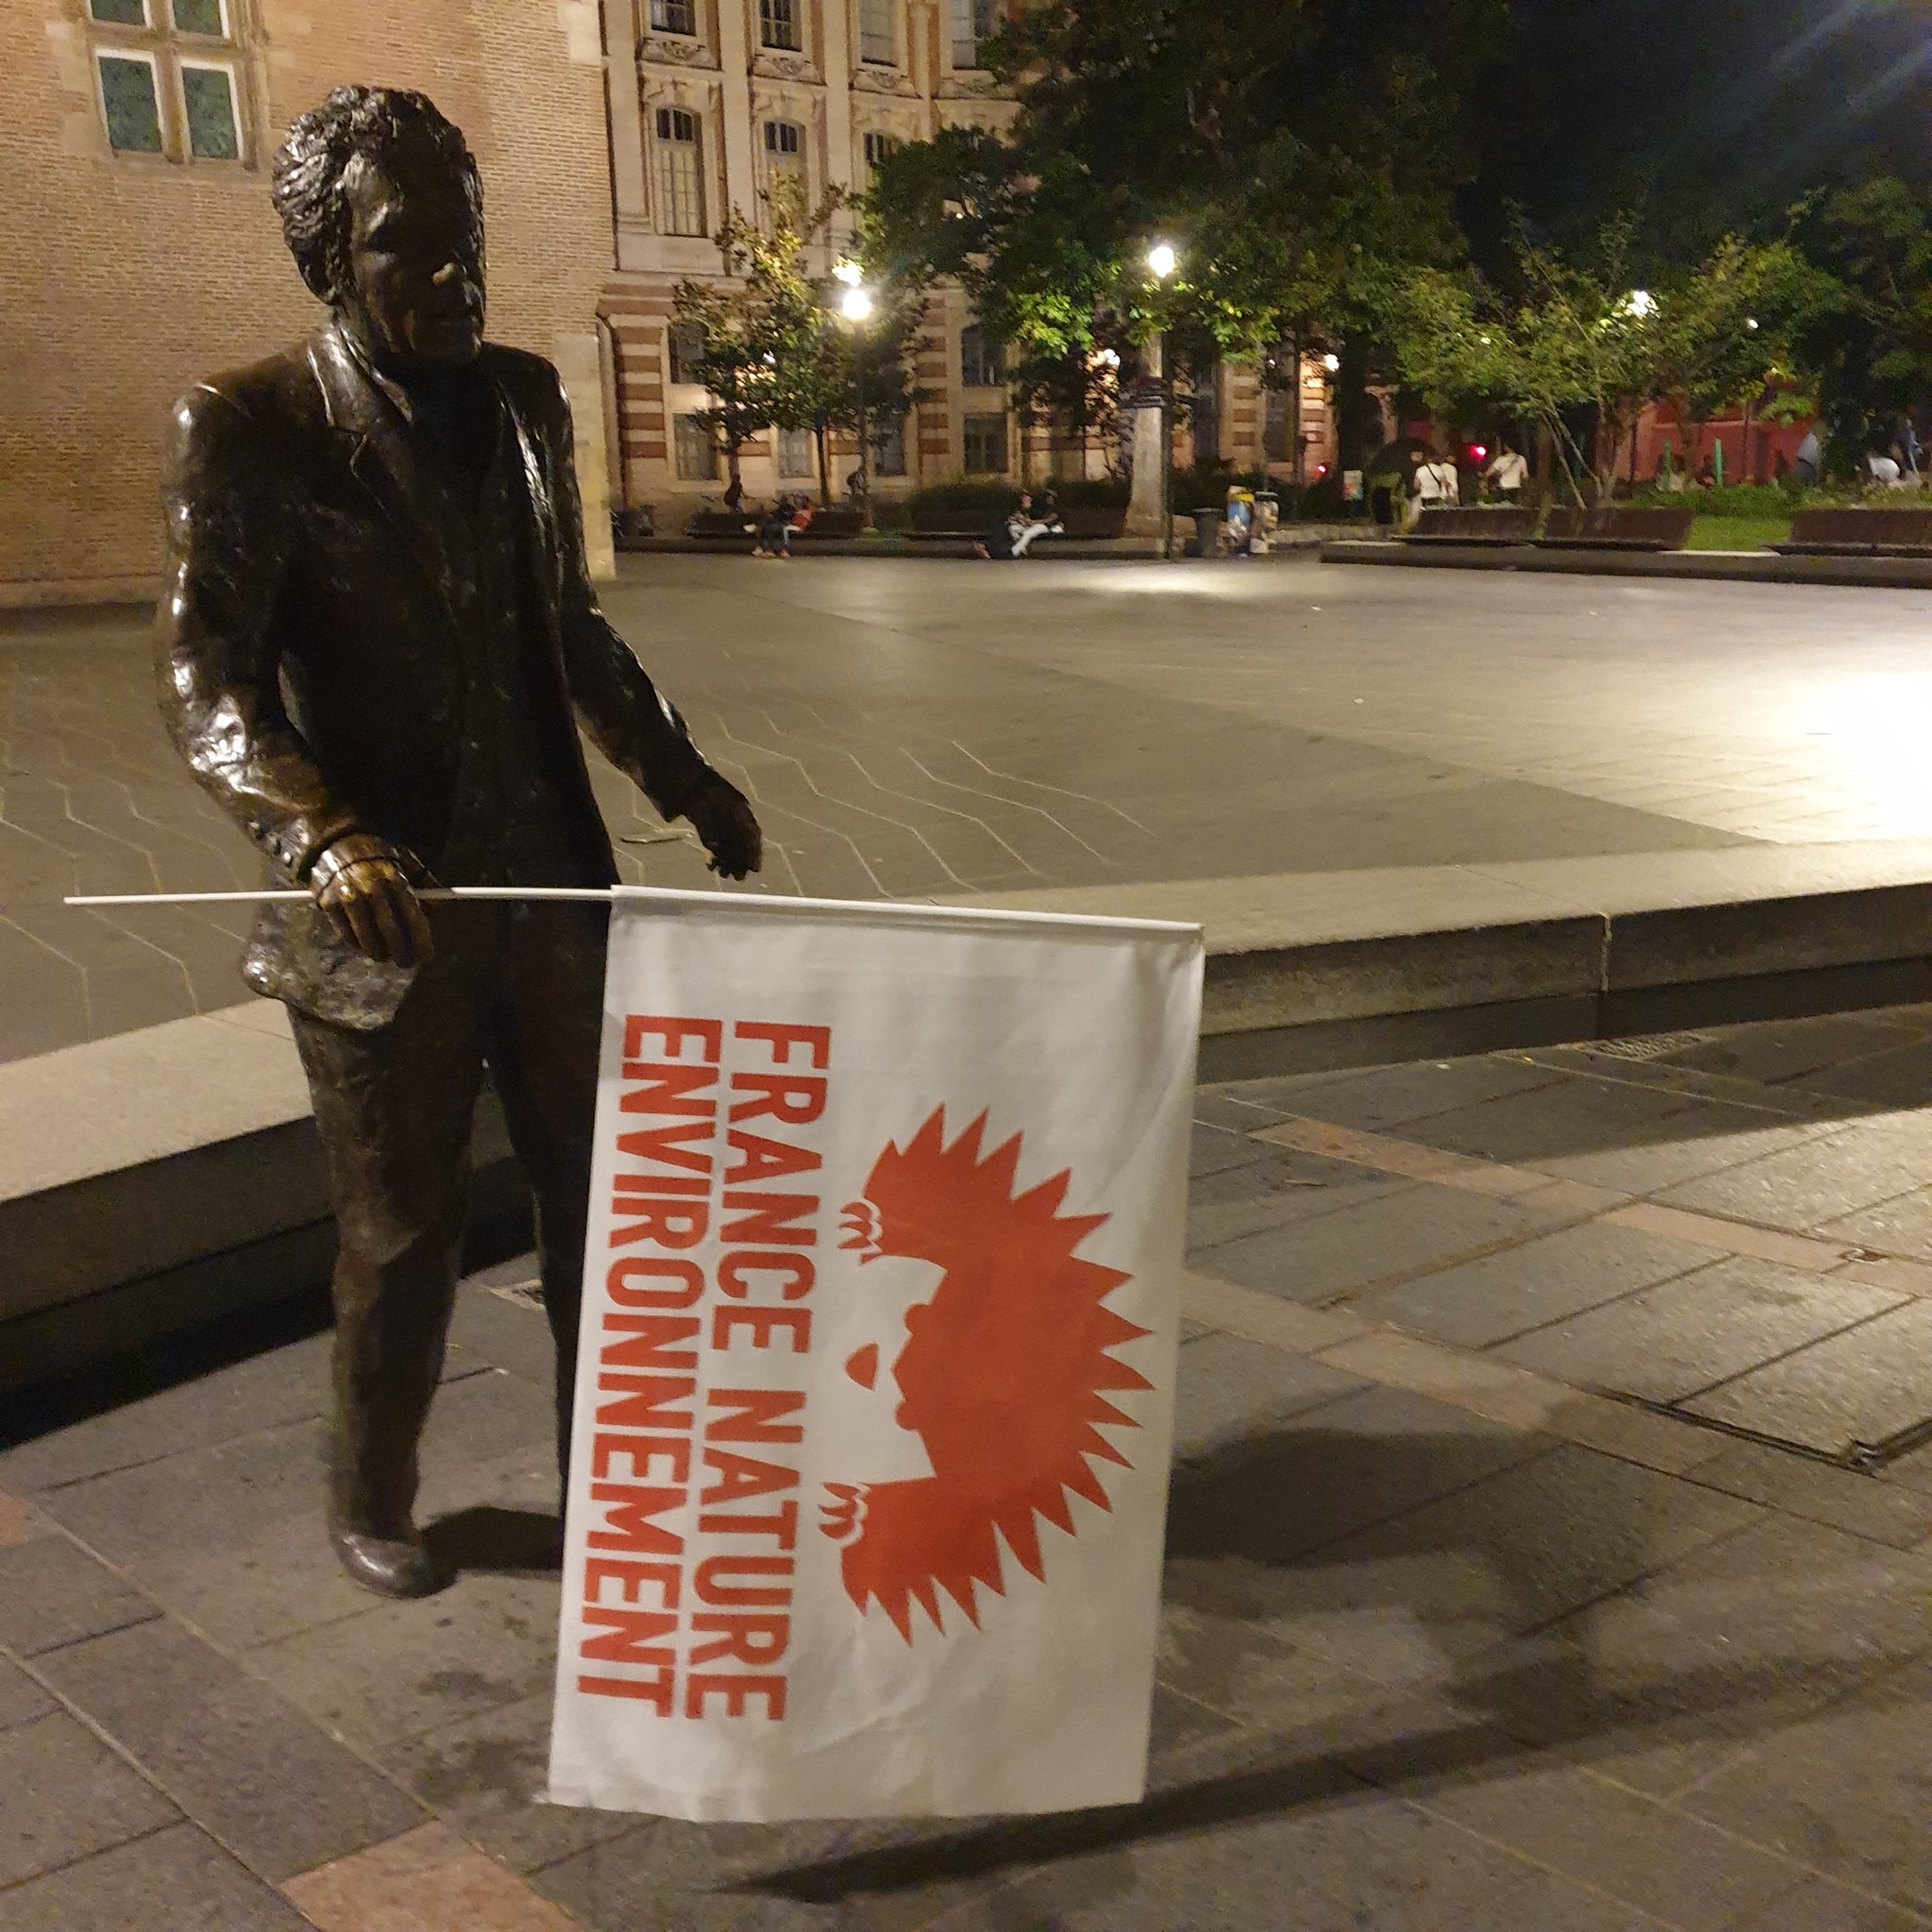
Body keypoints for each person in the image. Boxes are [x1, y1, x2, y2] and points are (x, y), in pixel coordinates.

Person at [154, 87, 762, 1599]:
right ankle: (375, 1494)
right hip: (386, 923)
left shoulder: (530, 400)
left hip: (552, 895)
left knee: (605, 1216)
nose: (450, 277)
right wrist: (320, 837)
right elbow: (205, 681)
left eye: (465, 243)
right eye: (405, 247)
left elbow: (569, 631)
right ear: (330, 261)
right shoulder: (255, 428)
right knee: (406, 1234)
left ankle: (606, 1487)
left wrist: (684, 778)